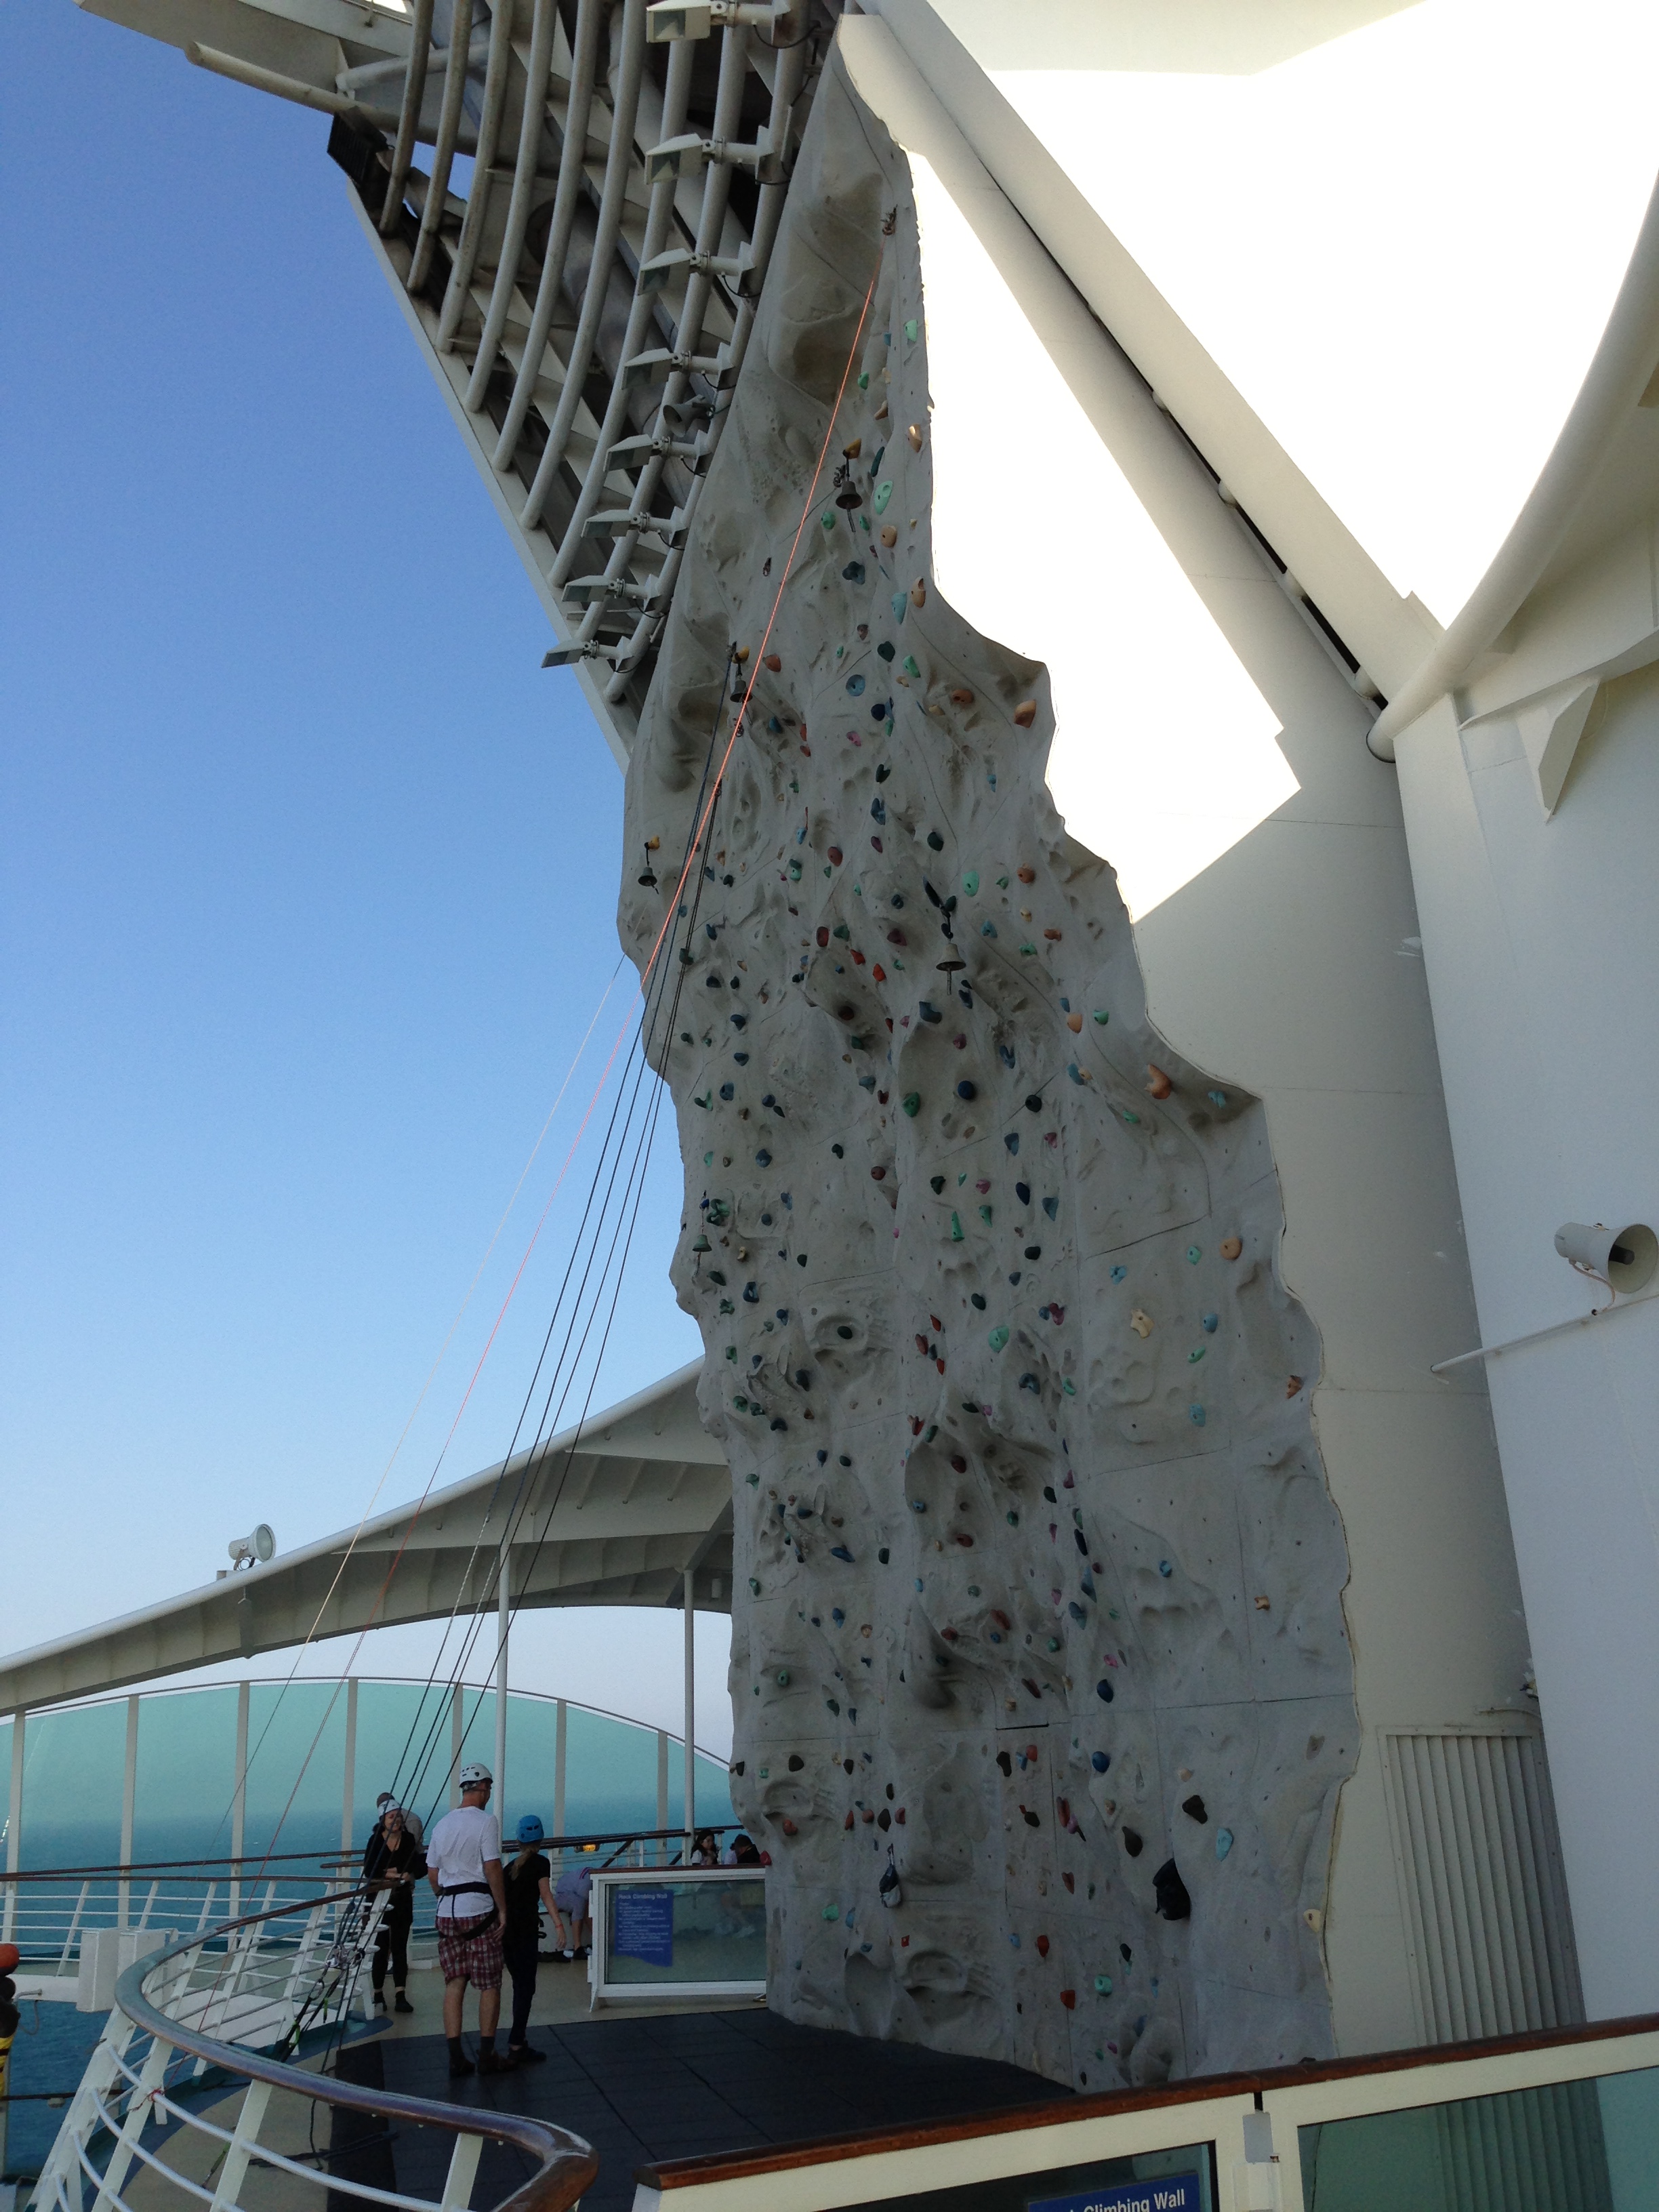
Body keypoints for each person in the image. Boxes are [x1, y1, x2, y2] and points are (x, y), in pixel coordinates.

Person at [426, 1761, 508, 2076]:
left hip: (447, 1911)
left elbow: (433, 1874)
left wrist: (443, 1896)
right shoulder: (486, 1822)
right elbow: (492, 1867)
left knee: (455, 1981)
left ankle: (456, 2057)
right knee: (489, 1983)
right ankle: (487, 2055)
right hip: (478, 1911)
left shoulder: (442, 1825)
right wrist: (503, 1909)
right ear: (484, 1788)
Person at [362, 1801, 426, 2013]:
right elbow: (370, 1869)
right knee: (381, 1946)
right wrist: (395, 1873)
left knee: (399, 1946)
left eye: (398, 1816)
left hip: (401, 1898)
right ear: (383, 1820)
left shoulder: (407, 1839)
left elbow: (416, 1864)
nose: (396, 1820)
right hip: (379, 1899)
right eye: (392, 1817)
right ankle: (378, 1993)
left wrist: (396, 1871)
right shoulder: (375, 1841)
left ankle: (400, 1994)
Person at [501, 1815, 554, 2064]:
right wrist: (559, 1925)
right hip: (525, 1932)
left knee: (519, 1985)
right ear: (541, 1839)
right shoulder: (541, 1864)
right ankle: (516, 2042)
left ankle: (519, 2040)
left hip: (507, 1933)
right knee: (526, 1987)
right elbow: (546, 1895)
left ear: (518, 1841)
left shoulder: (509, 1869)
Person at [552, 1855, 593, 1959]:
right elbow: (585, 1909)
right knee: (580, 1905)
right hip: (562, 1894)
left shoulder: (588, 1878)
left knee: (583, 1906)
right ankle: (578, 1947)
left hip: (573, 1891)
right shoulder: (586, 1883)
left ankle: (598, 1940)